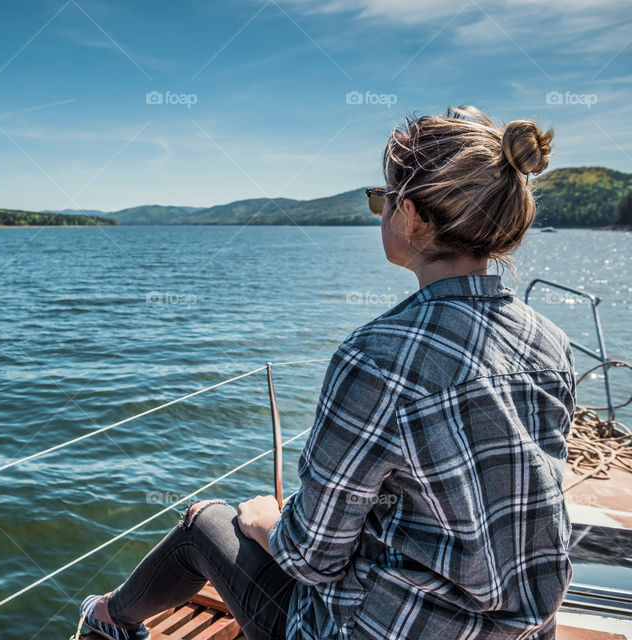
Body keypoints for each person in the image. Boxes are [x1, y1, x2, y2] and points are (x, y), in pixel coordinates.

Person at [74, 106, 575, 640]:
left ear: (409, 215)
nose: (379, 213)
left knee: (206, 522)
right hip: (524, 631)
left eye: (380, 200)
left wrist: (265, 519)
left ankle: (106, 618)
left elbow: (311, 558)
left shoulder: (378, 357)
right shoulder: (551, 343)